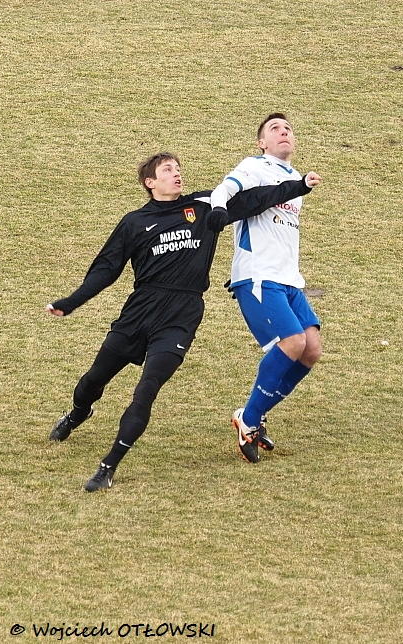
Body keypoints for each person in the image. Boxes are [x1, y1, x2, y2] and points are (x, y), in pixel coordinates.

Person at [46, 151, 320, 492]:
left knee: (145, 392)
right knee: (92, 381)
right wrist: (70, 303)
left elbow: (255, 199)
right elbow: (105, 270)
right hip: (139, 313)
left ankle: (108, 467)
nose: (177, 174)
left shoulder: (204, 206)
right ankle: (77, 413)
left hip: (181, 317)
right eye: (167, 170)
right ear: (150, 182)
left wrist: (299, 186)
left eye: (178, 169)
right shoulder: (134, 222)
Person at [211, 113, 322, 463]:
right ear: (262, 142)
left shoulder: (295, 179)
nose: (283, 131)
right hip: (257, 275)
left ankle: (251, 415)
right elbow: (224, 190)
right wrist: (217, 210)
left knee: (311, 350)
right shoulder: (254, 166)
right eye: (275, 128)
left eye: (288, 128)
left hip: (289, 280)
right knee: (293, 342)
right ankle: (249, 420)